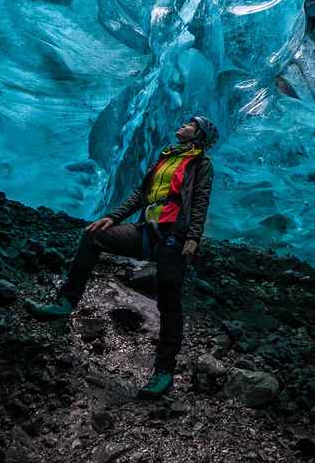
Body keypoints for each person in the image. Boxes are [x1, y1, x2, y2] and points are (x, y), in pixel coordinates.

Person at [27, 115, 217, 398]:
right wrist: (112, 218)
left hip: (174, 237)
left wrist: (192, 238)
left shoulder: (201, 164)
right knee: (92, 236)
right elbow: (142, 195)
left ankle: (164, 372)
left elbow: (200, 200)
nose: (182, 125)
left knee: (169, 300)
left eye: (189, 124)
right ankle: (65, 302)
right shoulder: (166, 158)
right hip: (147, 230)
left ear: (199, 135)